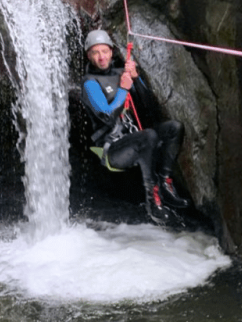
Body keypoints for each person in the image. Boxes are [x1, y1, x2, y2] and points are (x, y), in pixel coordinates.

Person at [80, 29, 190, 225]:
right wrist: (123, 89)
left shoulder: (120, 72)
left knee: (174, 128)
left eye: (104, 51)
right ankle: (152, 200)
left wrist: (136, 78)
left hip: (136, 140)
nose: (101, 57)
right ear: (89, 55)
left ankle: (165, 182)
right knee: (148, 136)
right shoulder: (90, 83)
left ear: (111, 52)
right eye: (95, 53)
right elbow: (107, 117)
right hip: (113, 150)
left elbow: (149, 106)